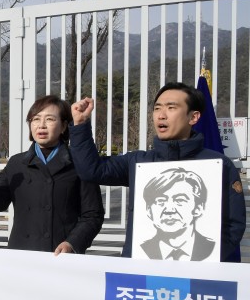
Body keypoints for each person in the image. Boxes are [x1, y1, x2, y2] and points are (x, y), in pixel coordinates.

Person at [69, 82, 245, 262]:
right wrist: (80, 125)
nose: (161, 115)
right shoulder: (139, 162)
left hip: (199, 276)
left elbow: (233, 224)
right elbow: (92, 170)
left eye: (171, 107)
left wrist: (204, 259)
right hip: (141, 272)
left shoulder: (218, 165)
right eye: (157, 108)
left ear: (194, 117)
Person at [0, 95, 104, 255]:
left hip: (61, 254)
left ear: (64, 126)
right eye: (35, 119)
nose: (41, 125)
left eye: (49, 119)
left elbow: (93, 214)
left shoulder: (78, 163)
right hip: (22, 253)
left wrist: (72, 243)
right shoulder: (17, 163)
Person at [140, 167, 215, 261]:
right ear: (148, 210)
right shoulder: (140, 250)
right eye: (161, 201)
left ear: (198, 208)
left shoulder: (213, 249)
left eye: (179, 200)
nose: (169, 209)